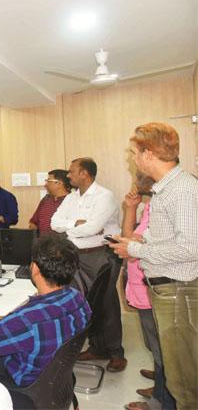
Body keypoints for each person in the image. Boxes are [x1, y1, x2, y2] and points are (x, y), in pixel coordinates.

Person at [109, 122, 198, 410]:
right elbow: (163, 235)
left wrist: (134, 248)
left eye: (135, 153)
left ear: (149, 154)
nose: (133, 159)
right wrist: (135, 238)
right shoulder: (165, 190)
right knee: (175, 374)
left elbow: (189, 247)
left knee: (185, 381)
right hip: (167, 291)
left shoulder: (183, 189)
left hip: (178, 292)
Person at [0, 235, 91, 387]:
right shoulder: (78, 299)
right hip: (54, 380)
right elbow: (20, 326)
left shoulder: (29, 319)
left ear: (34, 268)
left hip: (22, 384)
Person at [50, 157, 126, 372]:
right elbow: (54, 223)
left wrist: (72, 229)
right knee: (85, 303)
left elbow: (93, 228)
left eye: (72, 171)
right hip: (76, 256)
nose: (68, 175)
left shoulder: (105, 196)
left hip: (100, 255)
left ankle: (115, 352)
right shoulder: (72, 197)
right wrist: (75, 224)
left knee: (106, 302)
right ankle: (96, 347)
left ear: (84, 173)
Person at [121, 172, 176, 410]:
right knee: (156, 346)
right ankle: (160, 386)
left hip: (156, 286)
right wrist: (131, 208)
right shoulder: (150, 205)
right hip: (141, 284)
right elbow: (129, 238)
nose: (136, 179)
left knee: (164, 350)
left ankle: (160, 402)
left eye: (140, 175)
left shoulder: (165, 205)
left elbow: (138, 243)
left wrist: (132, 244)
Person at [28, 169, 71, 236]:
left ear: (59, 183)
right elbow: (33, 222)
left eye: (48, 181)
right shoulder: (46, 199)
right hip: (43, 243)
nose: (45, 185)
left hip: (63, 244)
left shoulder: (72, 200)